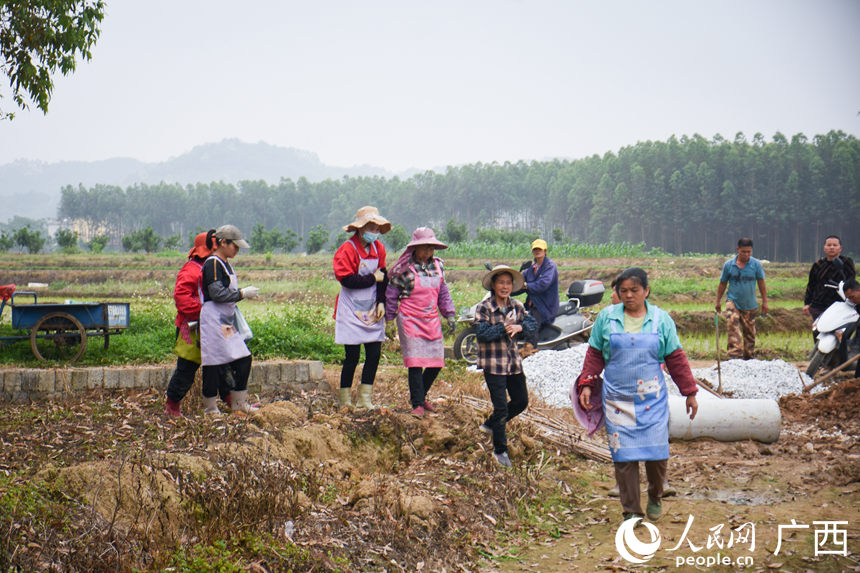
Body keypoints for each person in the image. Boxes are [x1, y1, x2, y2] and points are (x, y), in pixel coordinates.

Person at [572, 267, 698, 523]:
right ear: (617, 293)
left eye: (634, 290)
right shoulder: (607, 319)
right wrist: (587, 383)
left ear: (646, 291)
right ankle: (631, 510)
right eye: (624, 291)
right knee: (624, 456)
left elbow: (675, 358)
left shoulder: (661, 320)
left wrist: (690, 392)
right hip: (618, 398)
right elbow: (595, 354)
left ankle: (655, 495)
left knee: (657, 454)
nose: (629, 295)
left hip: (651, 400)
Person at [385, 227, 456, 418]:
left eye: (431, 248)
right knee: (415, 363)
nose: (428, 252)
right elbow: (391, 295)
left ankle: (421, 395)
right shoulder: (405, 270)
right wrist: (389, 320)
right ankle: (417, 403)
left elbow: (443, 292)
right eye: (424, 248)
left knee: (436, 362)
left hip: (431, 318)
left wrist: (449, 314)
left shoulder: (438, 266)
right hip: (410, 319)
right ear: (414, 249)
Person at [475, 265, 538, 467]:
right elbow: (482, 334)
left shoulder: (517, 306)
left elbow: (532, 326)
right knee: (501, 407)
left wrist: (520, 326)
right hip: (493, 364)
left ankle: (491, 424)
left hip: (513, 363)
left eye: (508, 283)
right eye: (501, 282)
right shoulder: (484, 307)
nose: (505, 286)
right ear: (493, 285)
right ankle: (500, 451)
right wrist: (503, 327)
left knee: (521, 401)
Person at [164, 231, 232, 417]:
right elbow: (181, 297)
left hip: (214, 324)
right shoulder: (191, 270)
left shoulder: (215, 267)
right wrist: (204, 311)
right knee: (187, 367)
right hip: (191, 327)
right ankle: (172, 405)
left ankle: (231, 400)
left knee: (224, 363)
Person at [333, 206, 391, 409]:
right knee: (352, 356)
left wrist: (382, 301)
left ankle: (365, 398)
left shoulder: (378, 249)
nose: (374, 230)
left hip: (372, 306)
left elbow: (383, 277)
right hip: (351, 307)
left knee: (374, 353)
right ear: (360, 227)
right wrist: (371, 278)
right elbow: (347, 279)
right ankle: (345, 399)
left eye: (376, 227)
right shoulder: (347, 249)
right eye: (370, 226)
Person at [199, 225, 260, 415]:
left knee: (243, 357)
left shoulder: (225, 263)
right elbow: (217, 293)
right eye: (234, 246)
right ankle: (210, 408)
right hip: (213, 320)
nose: (237, 250)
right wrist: (242, 293)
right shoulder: (213, 264)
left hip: (225, 322)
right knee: (213, 363)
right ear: (223, 243)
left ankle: (238, 403)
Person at [715, 238, 768, 360]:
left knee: (749, 333)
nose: (746, 254)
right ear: (738, 250)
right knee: (732, 325)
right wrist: (718, 301)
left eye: (749, 252)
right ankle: (734, 356)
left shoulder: (756, 265)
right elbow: (722, 283)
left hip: (750, 304)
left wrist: (765, 301)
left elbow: (761, 283)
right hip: (733, 301)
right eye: (743, 252)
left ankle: (748, 358)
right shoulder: (729, 265)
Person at [514, 238, 559, 351]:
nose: (537, 251)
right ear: (532, 252)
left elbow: (543, 284)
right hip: (531, 304)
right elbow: (520, 286)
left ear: (545, 251)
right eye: (535, 249)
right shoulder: (530, 269)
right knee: (514, 318)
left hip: (543, 306)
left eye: (540, 249)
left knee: (531, 326)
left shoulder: (550, 266)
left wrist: (527, 285)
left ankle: (530, 351)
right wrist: (507, 290)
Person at [804, 235, 856, 322]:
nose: (831, 247)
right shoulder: (818, 265)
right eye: (829, 245)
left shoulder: (846, 263)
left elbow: (851, 282)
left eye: (835, 245)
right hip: (819, 305)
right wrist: (807, 303)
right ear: (824, 248)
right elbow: (811, 285)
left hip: (840, 305)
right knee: (818, 332)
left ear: (840, 248)